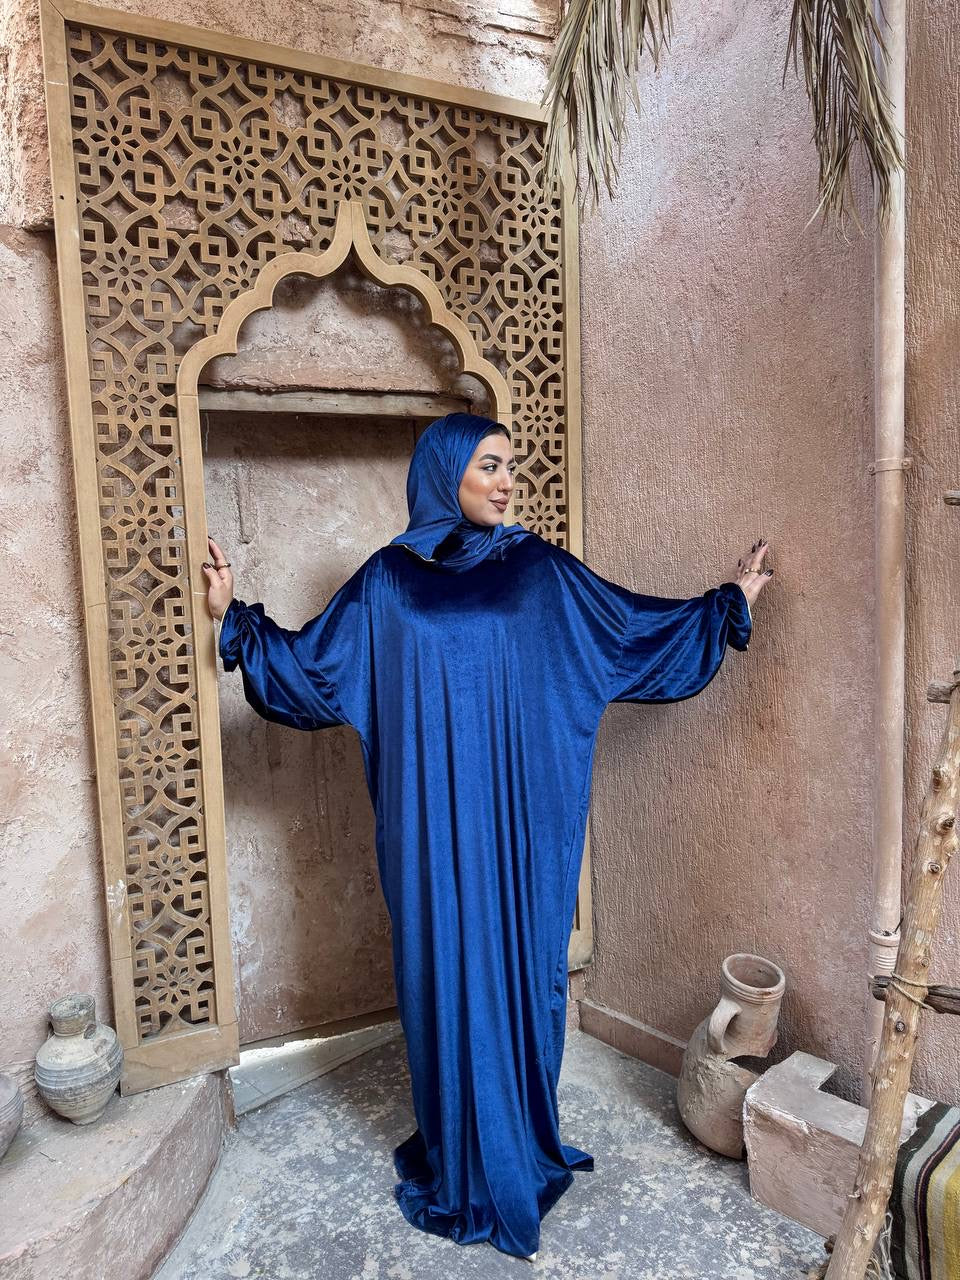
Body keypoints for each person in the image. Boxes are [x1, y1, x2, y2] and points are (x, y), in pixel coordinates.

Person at [202, 412, 772, 1261]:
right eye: (489, 467)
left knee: (520, 974)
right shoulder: (389, 582)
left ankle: (515, 1149)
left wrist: (726, 606)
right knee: (442, 974)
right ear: (445, 475)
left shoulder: (538, 571)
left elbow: (627, 631)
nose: (507, 483)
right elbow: (314, 672)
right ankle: (461, 1157)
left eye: (511, 466)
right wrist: (234, 621)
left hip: (519, 827)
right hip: (429, 832)